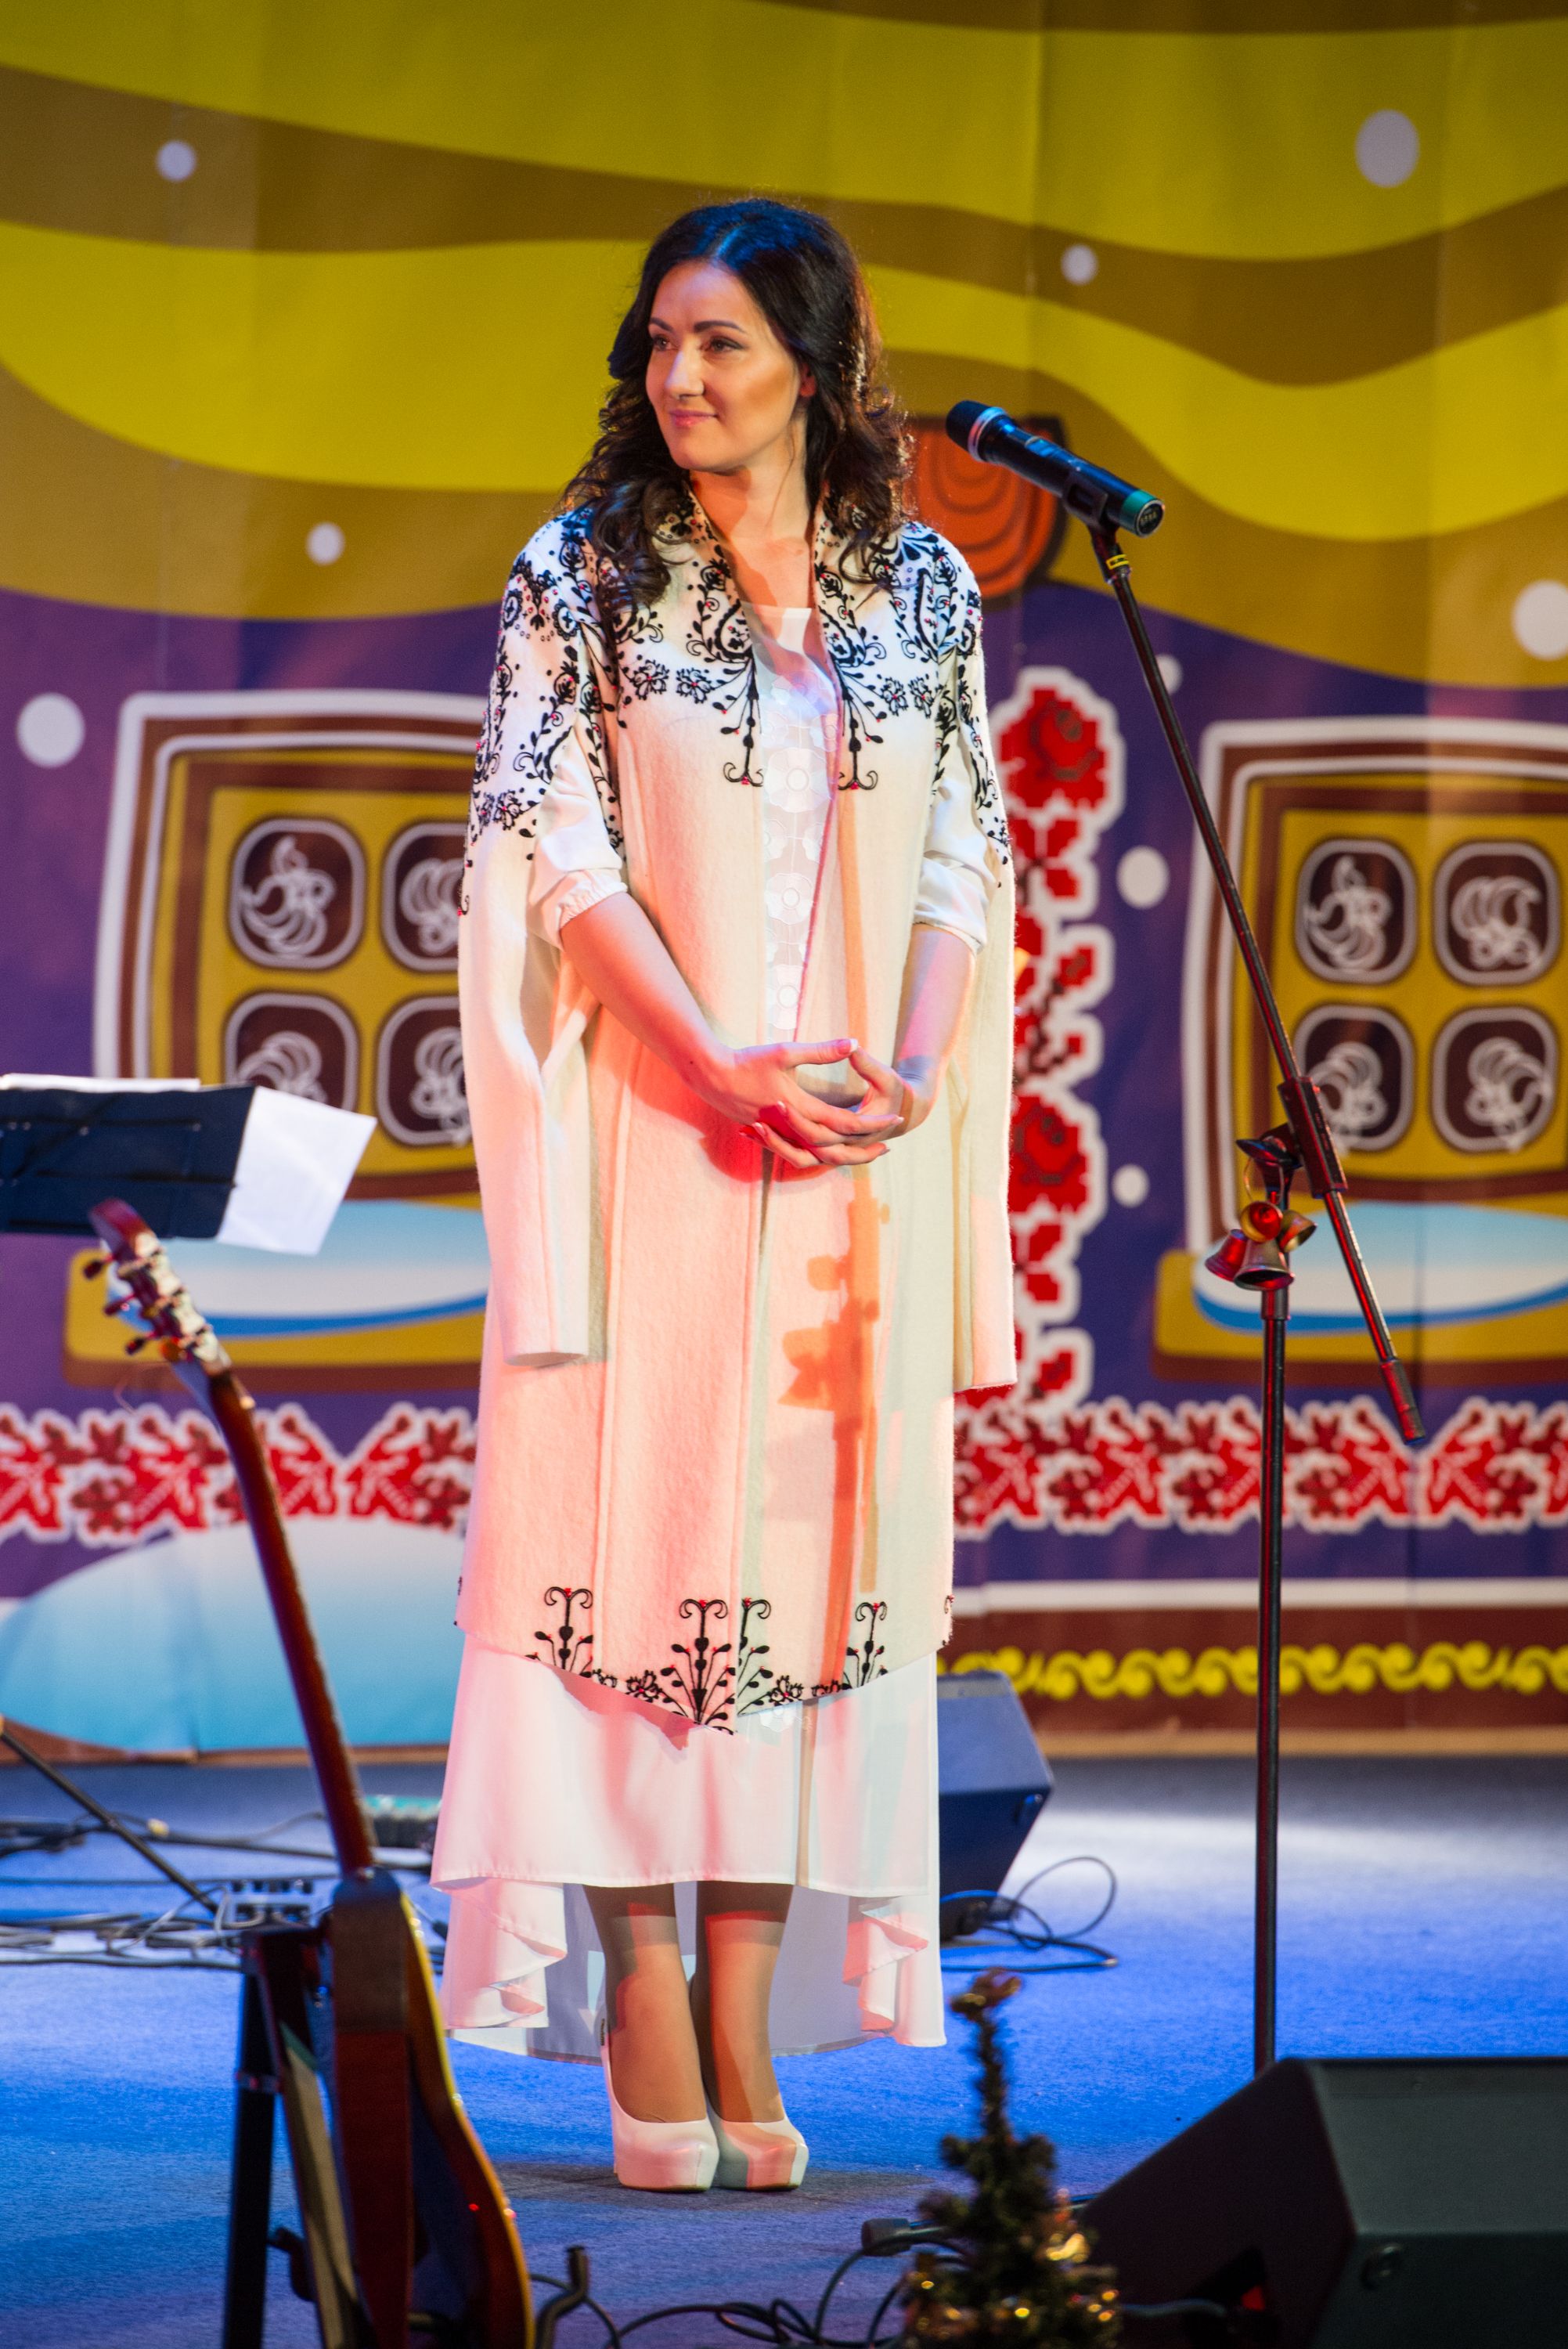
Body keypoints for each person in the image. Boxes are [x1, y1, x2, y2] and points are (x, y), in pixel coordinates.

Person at [432, 198, 1015, 2192]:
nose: (680, 377)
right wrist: (710, 1066)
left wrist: (911, 1072)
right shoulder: (584, 572)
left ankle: (748, 2012)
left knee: (800, 1575)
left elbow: (963, 854)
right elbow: (551, 853)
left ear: (818, 368)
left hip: (845, 1153)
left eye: (724, 344)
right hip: (651, 1141)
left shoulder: (920, 582)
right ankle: (646, 1995)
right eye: (664, 340)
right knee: (630, 1560)